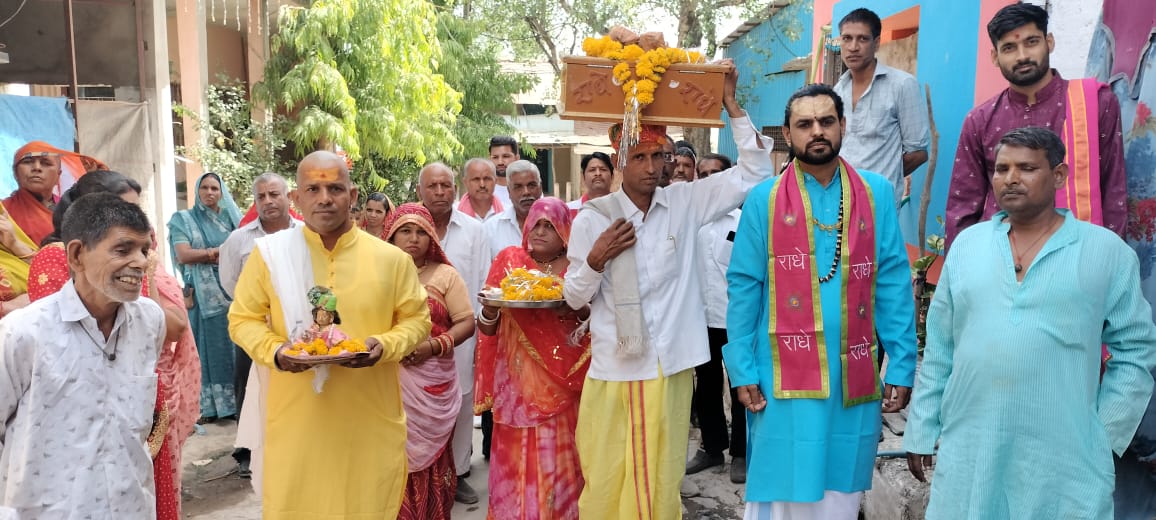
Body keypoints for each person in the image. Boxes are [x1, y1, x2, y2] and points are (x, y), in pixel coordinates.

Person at [904, 127, 1156, 519]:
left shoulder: (1105, 252)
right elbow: (940, 347)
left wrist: (1103, 432)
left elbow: (1137, 347)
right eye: (1001, 168)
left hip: (1063, 458)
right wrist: (921, 428)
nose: (1011, 178)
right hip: (972, 448)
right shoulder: (968, 247)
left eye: (1026, 168)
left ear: (1058, 175)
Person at [563, 59, 775, 519]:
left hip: (672, 365)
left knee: (662, 476)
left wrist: (731, 104)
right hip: (619, 368)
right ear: (620, 160)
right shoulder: (593, 219)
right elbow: (574, 298)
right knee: (609, 472)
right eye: (638, 157)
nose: (650, 167)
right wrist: (596, 259)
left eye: (657, 157)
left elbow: (756, 174)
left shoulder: (684, 201)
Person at [723, 84, 917, 519]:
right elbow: (743, 287)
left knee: (839, 492)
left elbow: (892, 283)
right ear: (788, 134)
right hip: (778, 374)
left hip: (853, 374)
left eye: (826, 121)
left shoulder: (876, 194)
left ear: (843, 126)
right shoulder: (763, 200)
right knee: (781, 485)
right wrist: (741, 368)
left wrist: (902, 363)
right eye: (804, 124)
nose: (817, 132)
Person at [228, 150, 431, 519]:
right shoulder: (271, 257)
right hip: (297, 423)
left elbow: (418, 321)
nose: (324, 198)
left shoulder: (391, 259)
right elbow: (242, 319)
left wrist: (382, 345)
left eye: (335, 188)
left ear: (352, 196)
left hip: (369, 420)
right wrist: (277, 352)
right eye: (313, 188)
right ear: (297, 198)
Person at [24, 171, 195, 519]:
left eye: (142, 243)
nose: (132, 223)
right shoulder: (23, 331)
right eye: (121, 212)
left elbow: (169, 325)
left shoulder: (144, 317)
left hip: (140, 420)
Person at [0, 192, 165, 519]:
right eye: (123, 249)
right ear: (76, 255)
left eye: (144, 250)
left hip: (132, 508)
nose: (140, 261)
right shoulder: (23, 333)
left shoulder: (150, 321)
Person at [945, 2, 1126, 249]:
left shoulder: (1096, 103)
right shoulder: (980, 120)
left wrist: (1112, 263)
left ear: (1049, 42)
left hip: (1078, 257)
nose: (1022, 56)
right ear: (995, 57)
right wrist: (960, 271)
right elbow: (962, 206)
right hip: (1001, 259)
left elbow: (1114, 192)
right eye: (1009, 47)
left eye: (1031, 42)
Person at [476, 197, 591, 519]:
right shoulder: (509, 261)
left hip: (566, 382)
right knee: (516, 457)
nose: (539, 231)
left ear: (565, 231)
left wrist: (577, 304)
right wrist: (488, 310)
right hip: (516, 385)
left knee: (562, 457)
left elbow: (593, 324)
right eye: (535, 223)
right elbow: (487, 327)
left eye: (549, 225)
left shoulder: (578, 267)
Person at [382, 203, 474, 519]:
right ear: (390, 236)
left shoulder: (445, 274)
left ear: (432, 236)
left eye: (421, 231)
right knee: (388, 450)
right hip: (387, 380)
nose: (413, 238)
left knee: (432, 455)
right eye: (405, 231)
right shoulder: (377, 274)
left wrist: (432, 347)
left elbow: (466, 321)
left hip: (432, 382)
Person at [415, 162, 490, 504]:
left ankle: (458, 473)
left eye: (446, 185)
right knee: (420, 405)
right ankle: (420, 474)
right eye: (433, 186)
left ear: (455, 189)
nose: (441, 192)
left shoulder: (474, 231)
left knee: (459, 404)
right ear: (420, 191)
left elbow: (486, 283)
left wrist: (480, 340)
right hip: (413, 340)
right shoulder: (409, 229)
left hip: (462, 336)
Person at [218, 172, 299, 478]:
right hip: (253, 327)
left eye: (274, 194)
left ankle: (288, 444)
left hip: (296, 327)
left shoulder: (305, 234)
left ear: (288, 197)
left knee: (290, 385)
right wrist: (256, 312)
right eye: (262, 196)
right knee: (247, 385)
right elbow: (229, 281)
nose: (268, 201)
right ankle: (247, 451)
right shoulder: (239, 239)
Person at [832, 7, 930, 209]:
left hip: (879, 204)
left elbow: (918, 153)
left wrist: (882, 178)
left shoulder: (902, 85)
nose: (853, 47)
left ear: (876, 43)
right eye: (847, 38)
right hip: (838, 200)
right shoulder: (838, 90)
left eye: (862, 39)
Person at [687, 151, 746, 484]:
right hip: (700, 318)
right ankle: (712, 448)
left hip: (737, 319)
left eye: (716, 173)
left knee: (741, 385)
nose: (709, 179)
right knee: (707, 386)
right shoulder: (690, 221)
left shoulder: (743, 221)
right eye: (703, 173)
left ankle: (741, 453)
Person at [169, 172, 241, 422]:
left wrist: (220, 255)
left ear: (221, 193)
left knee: (232, 344)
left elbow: (241, 251)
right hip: (201, 294)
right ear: (198, 190)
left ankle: (234, 403)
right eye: (205, 188)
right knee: (205, 348)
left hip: (231, 289)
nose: (210, 192)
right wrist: (216, 253)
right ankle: (209, 407)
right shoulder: (184, 219)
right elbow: (183, 255)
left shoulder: (231, 219)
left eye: (214, 188)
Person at [6, 141, 107, 245]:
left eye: (46, 163)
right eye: (27, 161)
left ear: (58, 175)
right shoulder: (3, 210)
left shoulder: (72, 209)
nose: (37, 168)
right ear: (15, 172)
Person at [485, 160, 544, 259]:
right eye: (518, 187)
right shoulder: (491, 228)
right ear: (509, 192)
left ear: (540, 187)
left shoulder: (558, 225)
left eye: (531, 185)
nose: (526, 192)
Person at [489, 136, 519, 209]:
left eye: (506, 156)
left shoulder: (528, 190)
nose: (500, 162)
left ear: (517, 158)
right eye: (495, 157)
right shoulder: (483, 190)